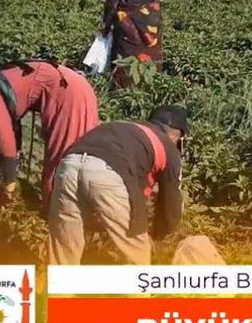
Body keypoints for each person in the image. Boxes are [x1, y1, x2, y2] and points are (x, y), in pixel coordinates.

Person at [0, 60, 100, 208]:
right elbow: (13, 130)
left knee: (62, 168)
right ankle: (88, 216)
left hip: (67, 95)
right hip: (76, 86)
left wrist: (9, 186)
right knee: (83, 163)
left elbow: (4, 135)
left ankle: (56, 221)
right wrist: (10, 166)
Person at [48, 105, 188, 265]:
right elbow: (171, 203)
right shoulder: (168, 147)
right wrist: (160, 234)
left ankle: (58, 290)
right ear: (177, 135)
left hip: (68, 165)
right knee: (136, 249)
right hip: (109, 170)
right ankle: (138, 290)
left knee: (65, 245)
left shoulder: (128, 129)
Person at [103, 0, 175, 89]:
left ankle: (125, 90)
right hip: (151, 24)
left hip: (127, 27)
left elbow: (112, 6)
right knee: (151, 55)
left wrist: (105, 26)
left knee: (127, 58)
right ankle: (150, 85)